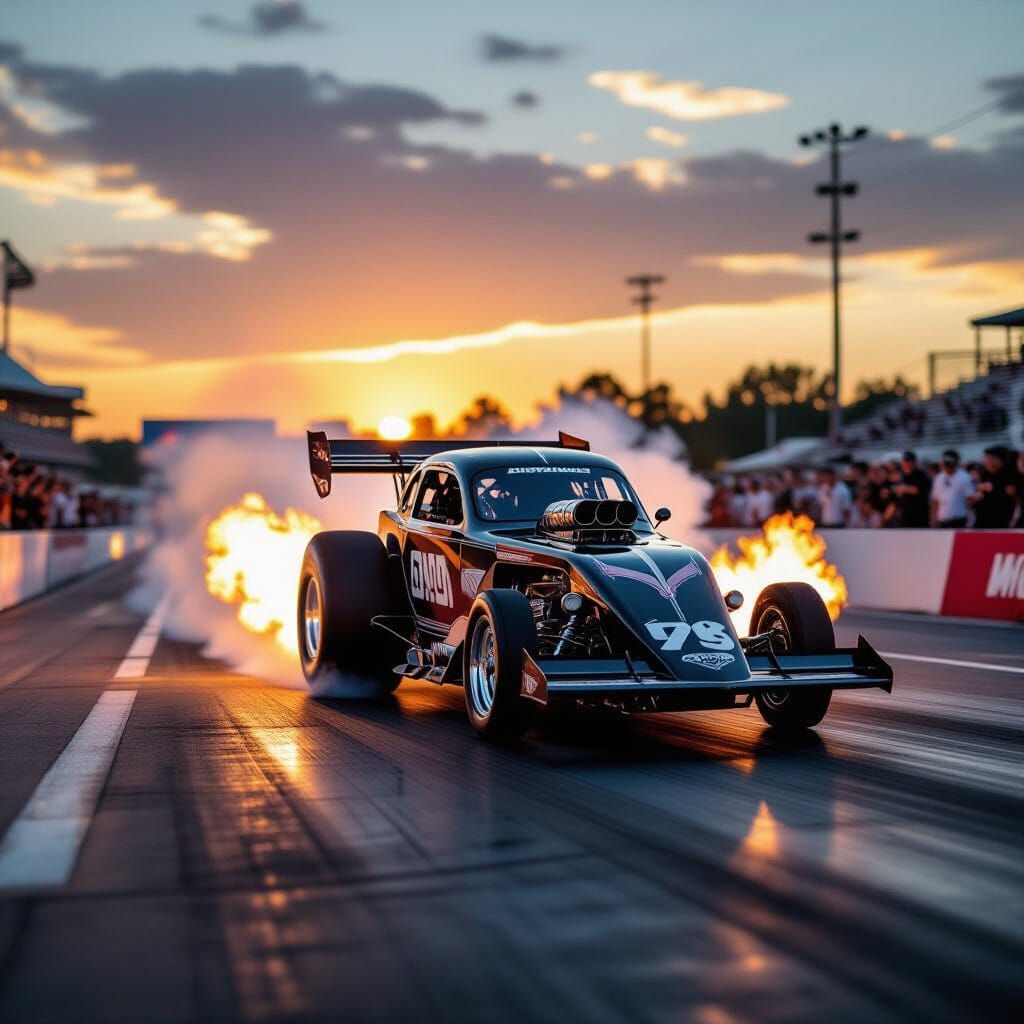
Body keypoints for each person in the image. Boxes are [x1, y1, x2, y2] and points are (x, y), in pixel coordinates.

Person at [971, 447, 1016, 528]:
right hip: (981, 522)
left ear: (997, 460)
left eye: (988, 458)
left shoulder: (1008, 475)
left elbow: (1011, 496)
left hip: (1000, 522)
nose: (985, 461)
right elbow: (978, 495)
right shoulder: (984, 475)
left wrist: (992, 489)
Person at [930, 450, 973, 528]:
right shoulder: (938, 478)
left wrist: (969, 518)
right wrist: (933, 519)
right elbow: (935, 500)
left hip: (958, 520)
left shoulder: (964, 477)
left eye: (949, 464)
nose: (946, 466)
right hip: (941, 520)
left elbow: (970, 499)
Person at [893, 451, 931, 528]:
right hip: (905, 518)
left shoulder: (921, 475)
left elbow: (917, 490)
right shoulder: (901, 476)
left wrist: (904, 488)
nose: (906, 464)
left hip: (920, 518)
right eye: (904, 461)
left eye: (908, 461)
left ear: (914, 462)